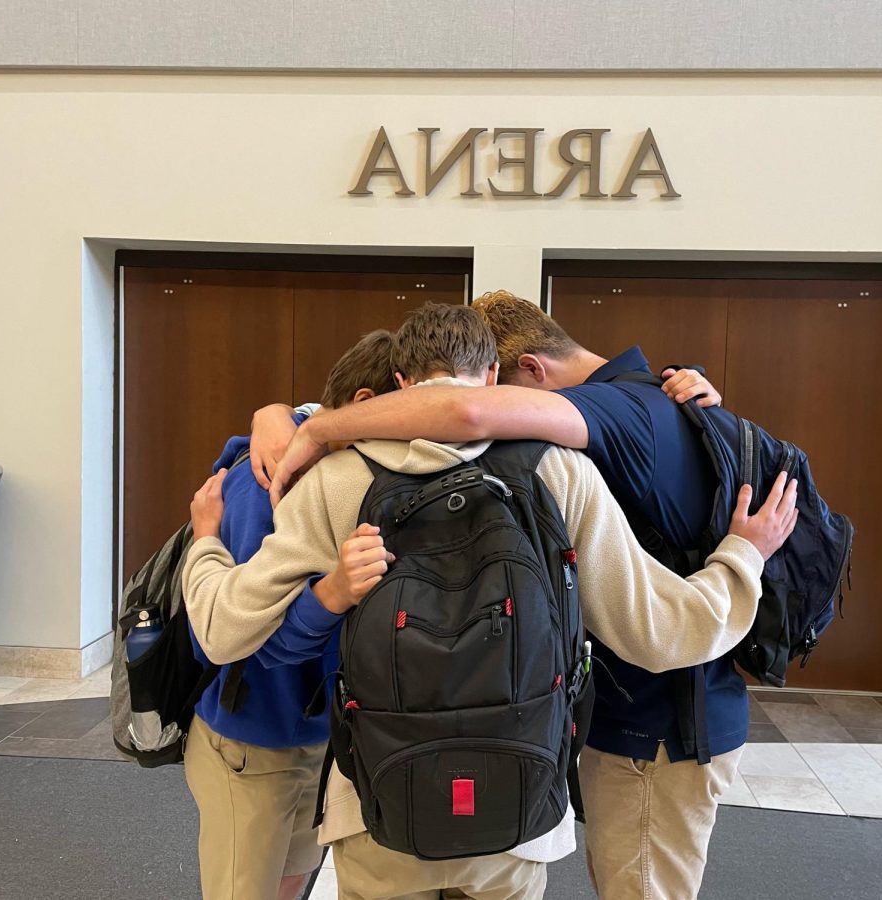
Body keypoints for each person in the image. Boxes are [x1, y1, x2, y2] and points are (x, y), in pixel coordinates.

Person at [184, 303, 797, 899]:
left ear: (400, 382)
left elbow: (221, 630)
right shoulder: (560, 472)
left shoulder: (336, 479)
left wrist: (205, 542)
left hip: (379, 802)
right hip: (519, 799)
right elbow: (665, 635)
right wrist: (742, 557)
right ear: (496, 377)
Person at [183, 330, 399, 900]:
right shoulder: (267, 482)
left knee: (289, 880)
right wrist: (331, 593)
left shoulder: (343, 473)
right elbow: (228, 634)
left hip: (316, 735)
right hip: (251, 738)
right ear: (361, 404)